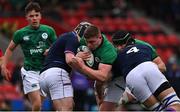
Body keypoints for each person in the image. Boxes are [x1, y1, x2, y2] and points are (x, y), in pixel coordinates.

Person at [1, 2, 57, 111]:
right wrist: (4, 66)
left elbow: (58, 47)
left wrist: (50, 50)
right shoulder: (20, 33)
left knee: (39, 105)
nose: (34, 18)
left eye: (36, 15)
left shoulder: (49, 30)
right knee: (36, 104)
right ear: (26, 17)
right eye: (31, 16)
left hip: (45, 72)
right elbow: (9, 49)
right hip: (29, 72)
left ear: (40, 16)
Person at [111, 31, 180, 111]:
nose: (119, 48)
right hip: (150, 68)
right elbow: (162, 67)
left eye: (121, 44)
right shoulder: (144, 47)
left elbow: (109, 77)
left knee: (158, 110)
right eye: (116, 45)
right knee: (175, 104)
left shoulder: (115, 57)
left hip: (132, 78)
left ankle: (130, 93)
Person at [71, 25, 126, 111]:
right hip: (100, 80)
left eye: (92, 42)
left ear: (100, 37)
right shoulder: (84, 40)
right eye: (87, 42)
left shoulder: (108, 50)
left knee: (109, 108)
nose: (89, 45)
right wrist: (76, 55)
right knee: (101, 106)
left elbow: (102, 77)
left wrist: (82, 66)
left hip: (117, 78)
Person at [39, 22, 91, 111]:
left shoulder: (64, 36)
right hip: (57, 73)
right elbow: (69, 60)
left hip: (44, 76)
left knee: (64, 107)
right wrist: (78, 57)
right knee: (66, 108)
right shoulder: (73, 38)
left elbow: (47, 52)